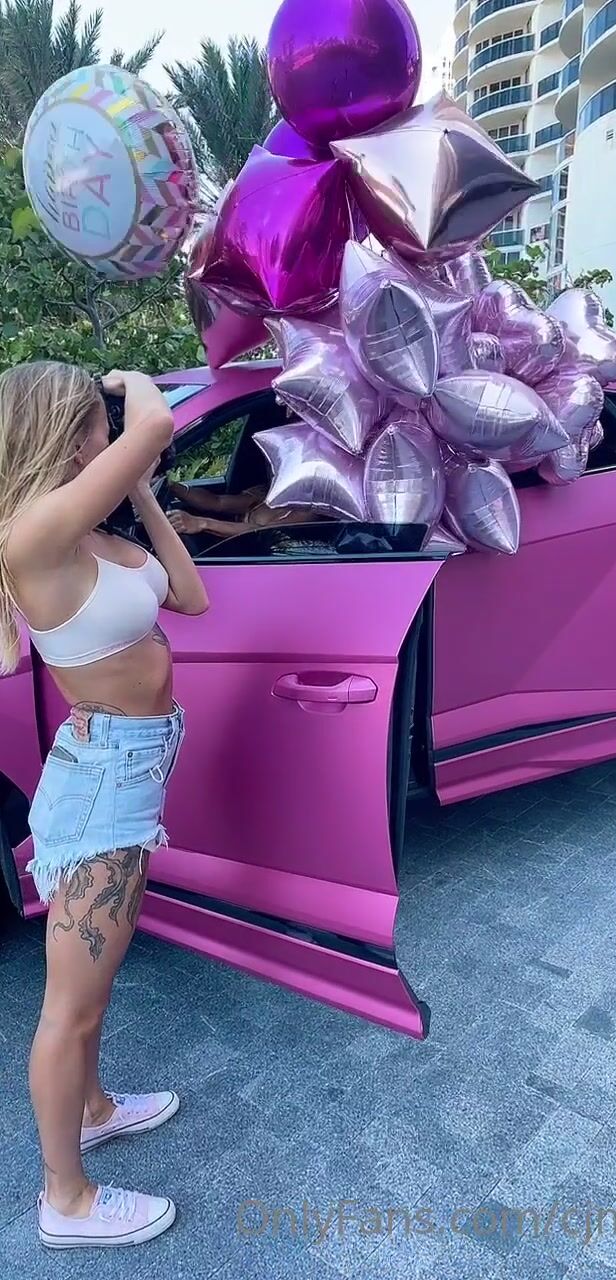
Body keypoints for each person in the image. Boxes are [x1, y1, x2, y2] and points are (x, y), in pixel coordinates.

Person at [0, 362, 209, 1250]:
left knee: (92, 986)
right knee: (71, 1005)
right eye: (98, 420)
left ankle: (92, 1109)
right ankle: (66, 1200)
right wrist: (132, 384)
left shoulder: (84, 528)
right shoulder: (34, 532)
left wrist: (144, 494)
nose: (110, 433)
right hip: (103, 783)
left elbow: (191, 598)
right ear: (66, 425)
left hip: (128, 768)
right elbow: (154, 426)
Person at [166, 478, 320, 541]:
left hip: (257, 566)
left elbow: (260, 530)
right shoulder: (265, 492)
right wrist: (172, 486)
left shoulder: (308, 511)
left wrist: (201, 523)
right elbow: (216, 502)